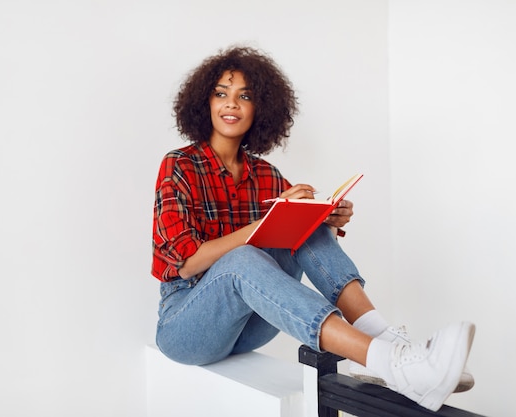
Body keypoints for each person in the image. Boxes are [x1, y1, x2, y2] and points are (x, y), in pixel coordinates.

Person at [150, 45, 475, 412]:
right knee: (242, 257)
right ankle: (390, 362)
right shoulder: (179, 165)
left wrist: (324, 216)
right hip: (187, 326)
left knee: (305, 225)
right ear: (204, 103)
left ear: (261, 109)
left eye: (245, 96)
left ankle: (381, 337)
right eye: (221, 94)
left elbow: (299, 238)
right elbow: (188, 263)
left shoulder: (266, 175)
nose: (231, 105)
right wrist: (261, 226)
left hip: (248, 327)